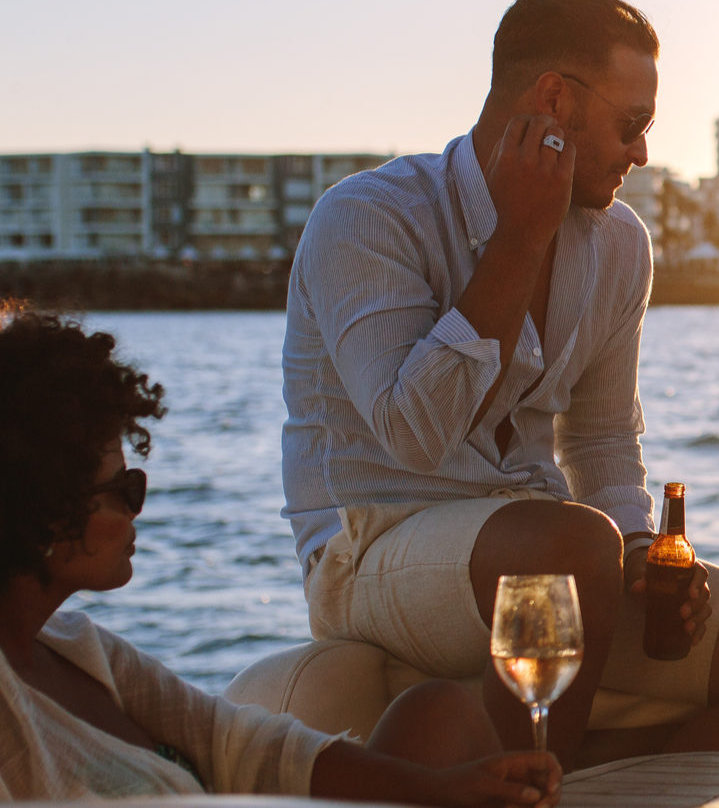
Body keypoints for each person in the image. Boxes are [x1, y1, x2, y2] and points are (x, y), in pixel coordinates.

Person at [282, 0, 719, 765]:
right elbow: (412, 436)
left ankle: (614, 790)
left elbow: (604, 439)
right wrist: (519, 240)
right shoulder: (368, 219)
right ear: (554, 102)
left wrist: (643, 556)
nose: (643, 151)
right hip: (376, 545)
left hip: (562, 555)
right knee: (565, 547)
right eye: (632, 123)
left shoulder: (619, 244)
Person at [0, 309, 559, 804]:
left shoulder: (82, 652)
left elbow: (239, 746)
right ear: (46, 510)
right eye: (123, 491)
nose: (137, 508)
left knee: (437, 714)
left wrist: (441, 788)